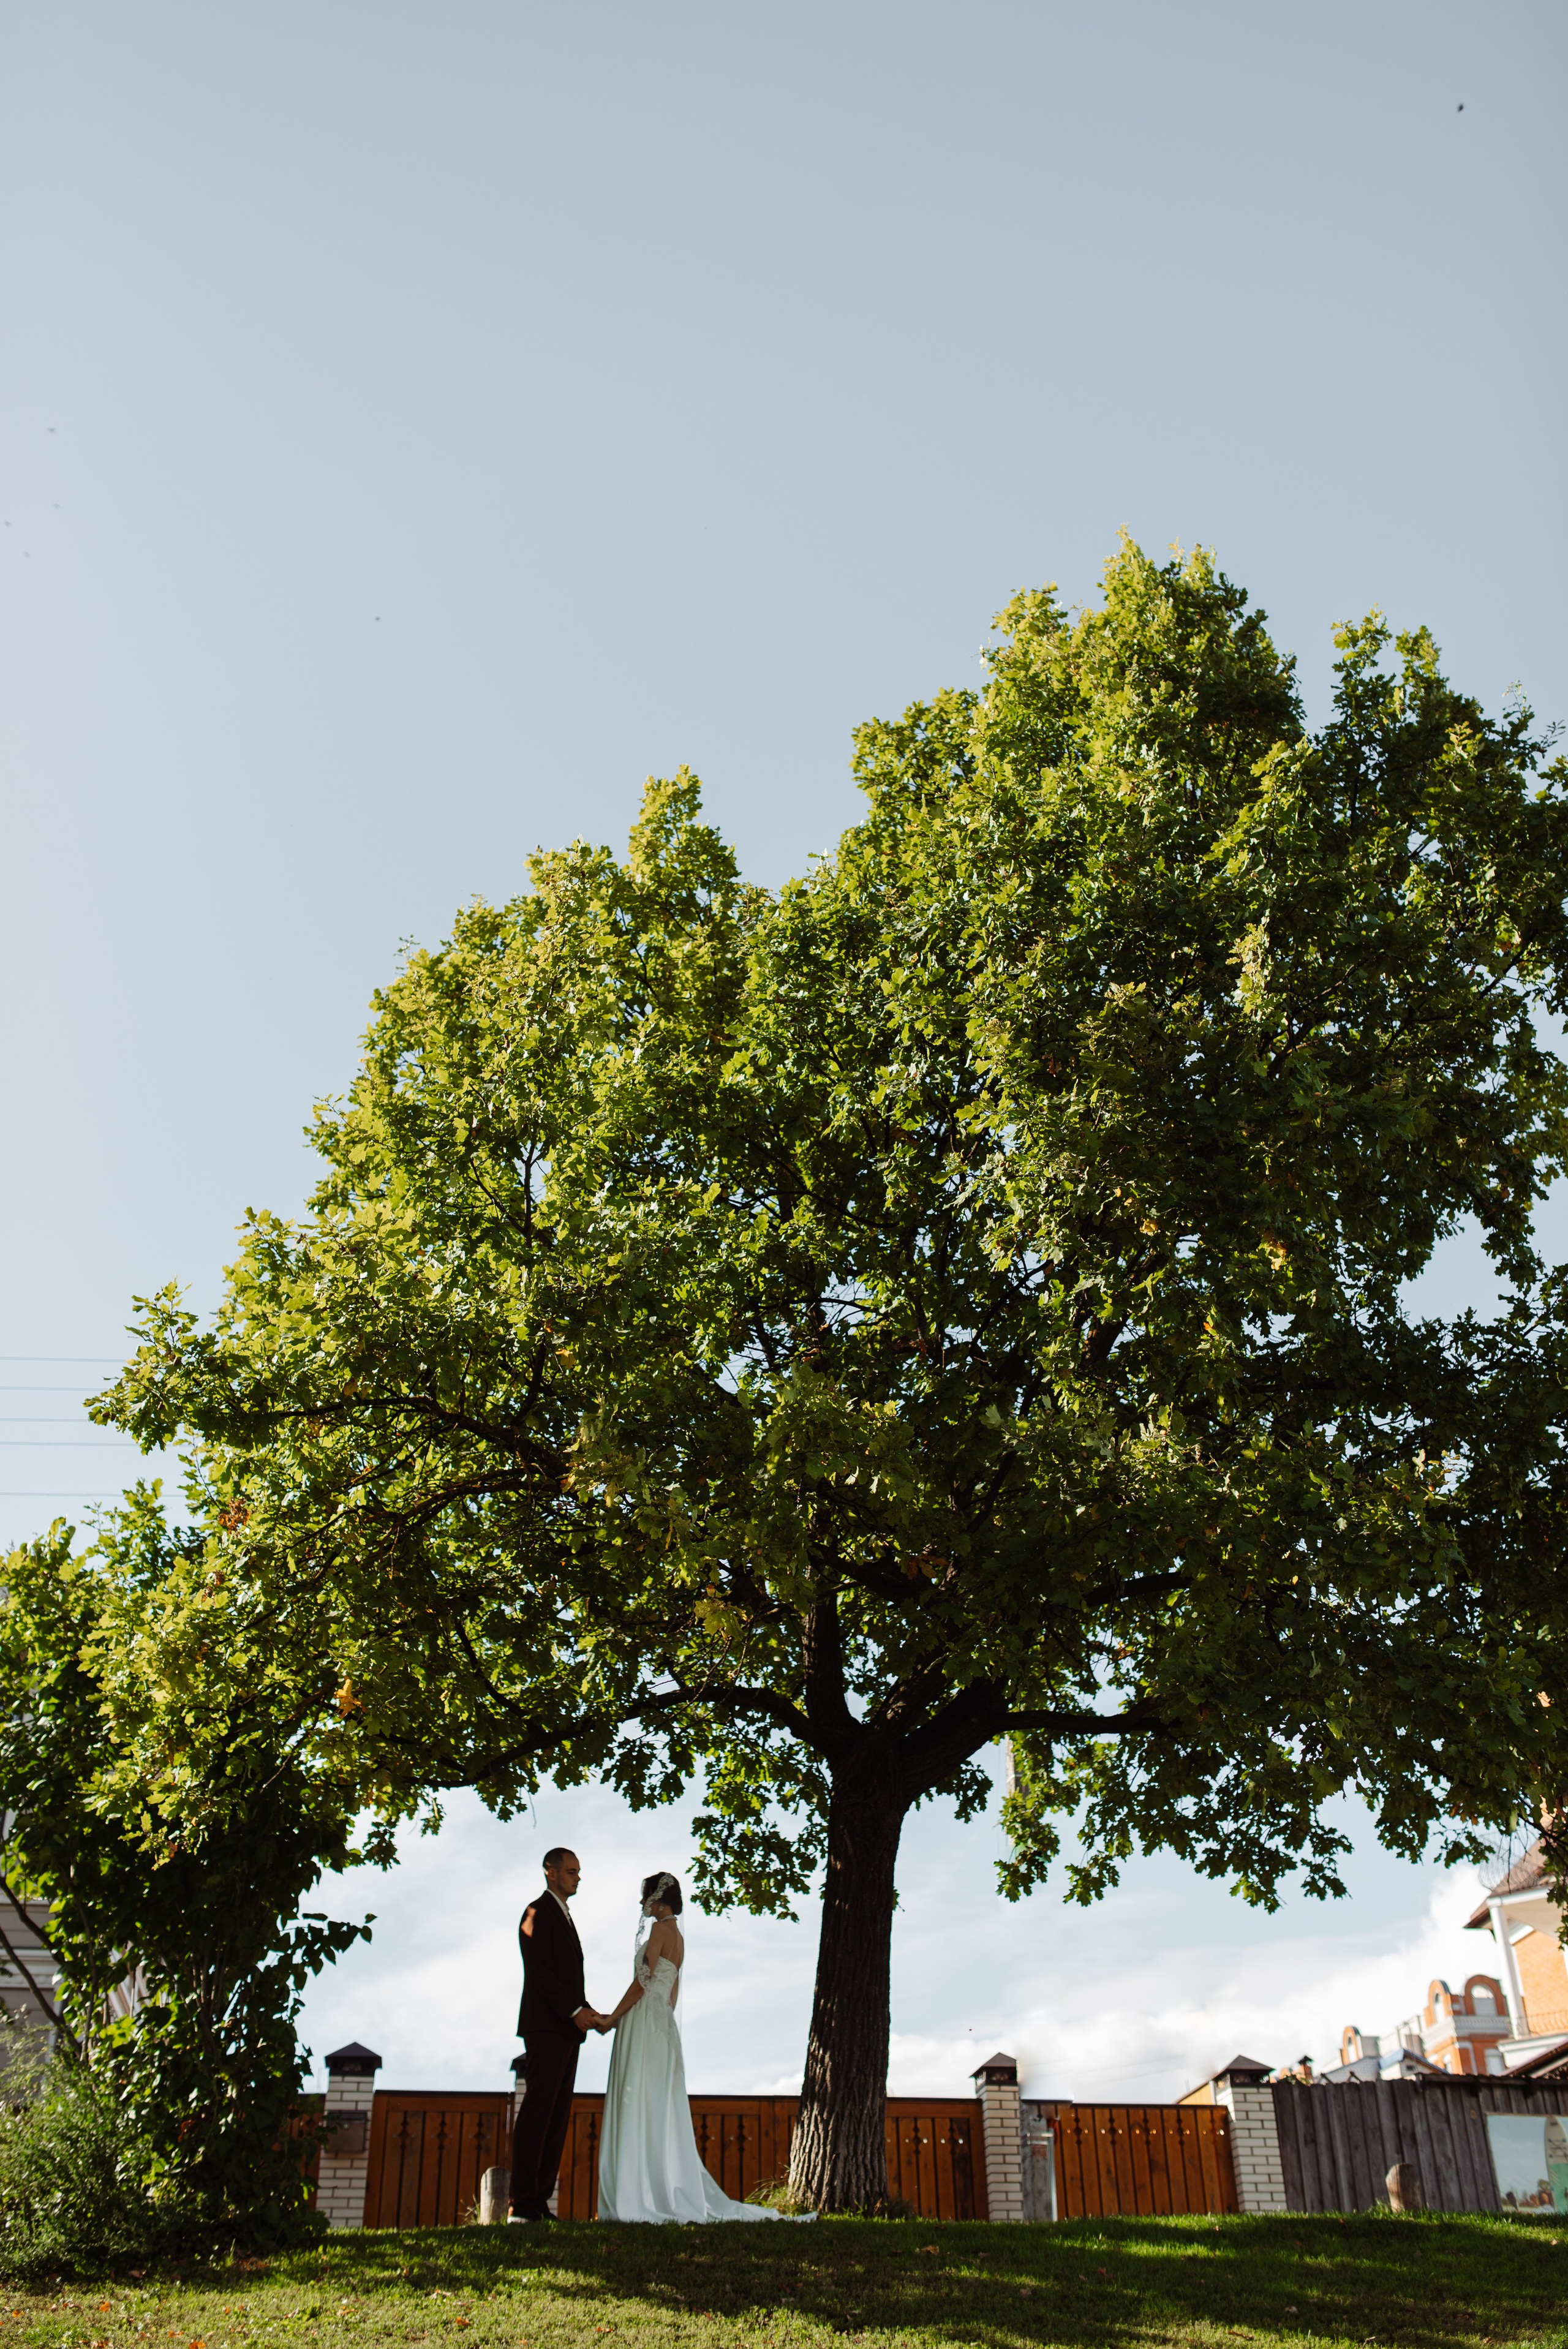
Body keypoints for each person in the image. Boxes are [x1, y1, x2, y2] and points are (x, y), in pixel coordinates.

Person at [596, 1869, 813, 2223]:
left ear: (659, 1899)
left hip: (643, 2021)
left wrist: (613, 2018)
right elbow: (672, 1990)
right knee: (657, 2102)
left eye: (645, 1896)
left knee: (637, 2097)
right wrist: (662, 2020)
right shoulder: (678, 1937)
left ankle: (638, 2193)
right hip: (662, 2023)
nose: (641, 1903)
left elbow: (643, 1981)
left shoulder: (658, 1930)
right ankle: (654, 2185)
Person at [510, 1847, 609, 2220]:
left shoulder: (565, 1916)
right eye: (571, 1871)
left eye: (579, 1871)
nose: (578, 1877)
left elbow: (566, 1976)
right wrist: (574, 2011)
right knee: (538, 2112)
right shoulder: (536, 1912)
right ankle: (521, 2204)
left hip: (567, 2030)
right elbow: (540, 1973)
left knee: (556, 2116)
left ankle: (539, 2203)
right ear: (550, 1872)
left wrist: (587, 2013)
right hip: (546, 2026)